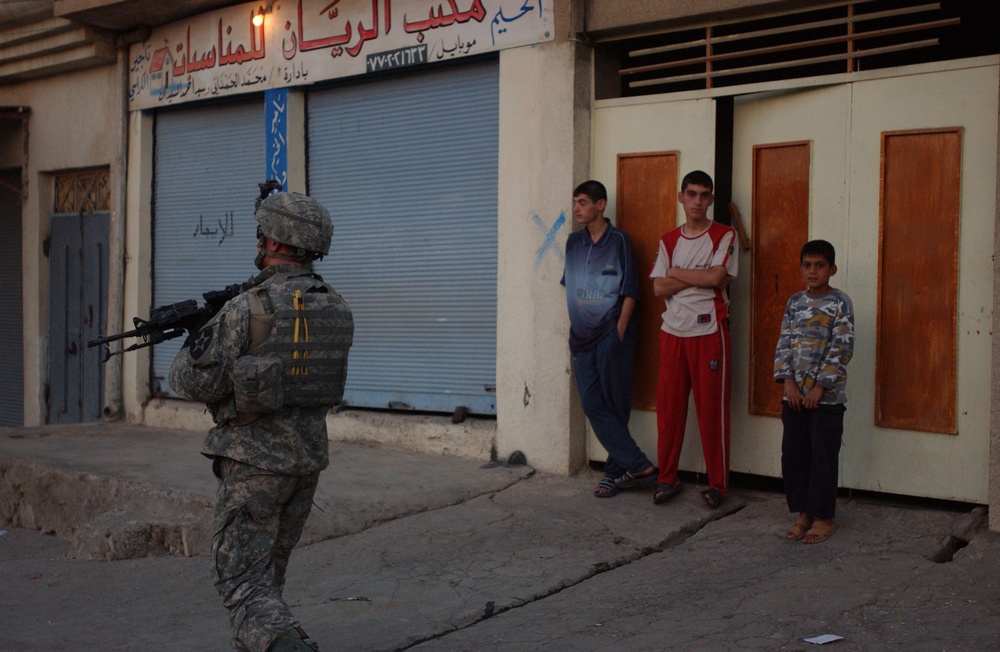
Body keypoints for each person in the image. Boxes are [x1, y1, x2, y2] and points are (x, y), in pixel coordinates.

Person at [170, 191, 354, 652]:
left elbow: (187, 381)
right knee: (267, 578)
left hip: (255, 465)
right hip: (306, 463)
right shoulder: (337, 307)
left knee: (242, 582)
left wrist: (201, 335)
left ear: (272, 240)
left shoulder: (246, 309)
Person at [561, 180, 657, 498]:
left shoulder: (619, 241)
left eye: (583, 202)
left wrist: (619, 329)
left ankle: (614, 473)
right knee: (591, 402)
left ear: (600, 205)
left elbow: (631, 289)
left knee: (615, 403)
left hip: (612, 334)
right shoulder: (573, 242)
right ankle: (639, 464)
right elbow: (571, 286)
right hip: (582, 337)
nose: (577, 208)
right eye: (575, 202)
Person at [649, 170, 738, 508]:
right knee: (669, 412)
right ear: (680, 197)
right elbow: (659, 288)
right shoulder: (668, 239)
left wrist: (675, 272)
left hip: (709, 331)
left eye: (704, 195)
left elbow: (718, 276)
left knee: (711, 412)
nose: (697, 201)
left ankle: (718, 484)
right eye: (691, 194)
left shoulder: (724, 234)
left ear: (711, 199)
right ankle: (666, 479)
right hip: (672, 332)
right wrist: (699, 277)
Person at [773, 239, 854, 545]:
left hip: (826, 399)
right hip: (794, 398)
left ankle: (824, 517)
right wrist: (789, 383)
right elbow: (784, 344)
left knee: (822, 456)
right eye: (807, 265)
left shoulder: (840, 303)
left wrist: (821, 386)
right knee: (794, 455)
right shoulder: (794, 303)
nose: (813, 271)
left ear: (831, 269)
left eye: (820, 265)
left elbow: (841, 347)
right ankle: (803, 512)